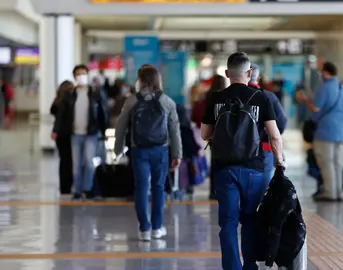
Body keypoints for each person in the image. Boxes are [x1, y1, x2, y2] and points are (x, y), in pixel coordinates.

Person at [200, 52, 285, 270]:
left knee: (227, 222)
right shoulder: (262, 97)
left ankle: (232, 267)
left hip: (224, 168)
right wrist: (279, 161)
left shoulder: (215, 98)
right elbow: (274, 135)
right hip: (253, 168)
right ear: (249, 73)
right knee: (249, 218)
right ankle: (249, 266)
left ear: (227, 74)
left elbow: (204, 133)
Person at [114, 64, 182, 241]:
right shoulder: (167, 101)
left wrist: (118, 148)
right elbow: (174, 130)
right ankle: (157, 228)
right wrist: (177, 154)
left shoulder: (132, 101)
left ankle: (144, 229)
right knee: (158, 187)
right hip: (160, 150)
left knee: (141, 188)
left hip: (139, 150)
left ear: (140, 80)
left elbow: (120, 126)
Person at [51, 64, 109, 201]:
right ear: (75, 77)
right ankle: (77, 190)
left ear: (87, 75)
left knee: (89, 162)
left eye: (83, 73)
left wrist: (104, 130)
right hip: (75, 134)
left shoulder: (95, 93)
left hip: (91, 133)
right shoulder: (70, 95)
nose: (81, 76)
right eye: (78, 74)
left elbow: (103, 113)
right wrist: (55, 130)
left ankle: (87, 189)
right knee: (76, 164)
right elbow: (61, 115)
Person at [297, 62, 343, 202]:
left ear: (326, 73)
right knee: (337, 162)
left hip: (325, 130)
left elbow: (315, 109)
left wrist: (305, 100)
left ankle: (329, 193)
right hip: (340, 131)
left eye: (321, 73)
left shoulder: (325, 88)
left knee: (326, 162)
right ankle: (338, 192)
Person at [248, 64, 287, 188]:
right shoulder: (269, 97)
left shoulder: (232, 96)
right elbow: (281, 123)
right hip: (264, 148)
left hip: (236, 151)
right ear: (258, 78)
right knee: (261, 189)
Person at [191, 74, 227, 200]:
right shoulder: (227, 98)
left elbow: (195, 116)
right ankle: (224, 189)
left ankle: (213, 190)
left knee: (214, 162)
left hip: (211, 135)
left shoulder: (206, 98)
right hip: (226, 135)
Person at [50, 80, 75, 195]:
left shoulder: (57, 100)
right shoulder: (68, 100)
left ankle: (63, 187)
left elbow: (54, 113)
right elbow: (60, 117)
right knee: (69, 161)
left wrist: (55, 131)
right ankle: (67, 186)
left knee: (63, 160)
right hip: (68, 133)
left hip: (60, 135)